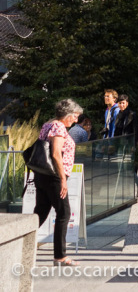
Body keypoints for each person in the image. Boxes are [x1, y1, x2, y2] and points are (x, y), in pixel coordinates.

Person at [33, 98, 82, 266]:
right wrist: (63, 180)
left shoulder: (48, 124)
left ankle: (17, 242)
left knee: (39, 213)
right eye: (75, 116)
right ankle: (60, 257)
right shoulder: (59, 127)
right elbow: (55, 154)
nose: (76, 120)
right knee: (64, 213)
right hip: (54, 177)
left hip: (42, 175)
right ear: (67, 115)